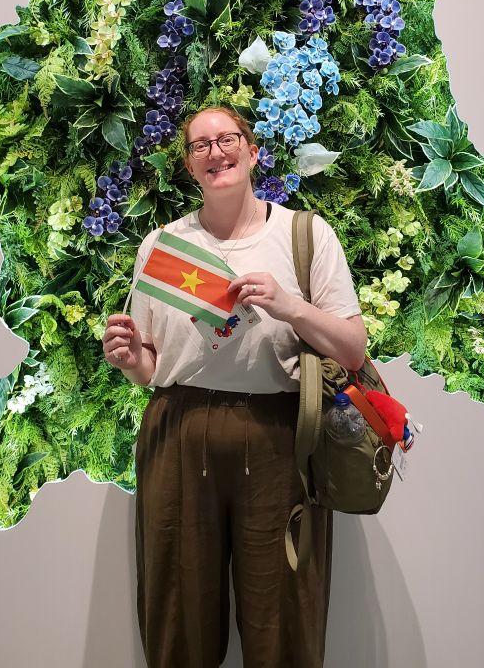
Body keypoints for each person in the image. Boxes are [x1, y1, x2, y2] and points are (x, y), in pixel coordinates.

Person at [102, 105, 366, 668]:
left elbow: (352, 348)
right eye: (200, 146)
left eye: (227, 139)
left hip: (280, 436)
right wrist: (129, 362)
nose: (215, 152)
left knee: (285, 607)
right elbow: (155, 365)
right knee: (177, 606)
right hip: (178, 433)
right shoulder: (163, 247)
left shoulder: (304, 234)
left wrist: (289, 305)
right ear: (189, 166)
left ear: (252, 151)